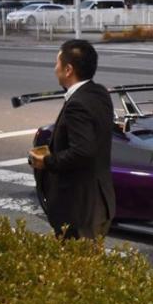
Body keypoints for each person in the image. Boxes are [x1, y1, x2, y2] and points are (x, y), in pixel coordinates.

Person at [29, 39, 115, 239]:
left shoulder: (78, 104)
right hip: (99, 200)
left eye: (57, 63)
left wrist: (47, 161)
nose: (54, 69)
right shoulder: (99, 93)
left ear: (68, 70)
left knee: (78, 265)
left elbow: (82, 151)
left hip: (79, 208)